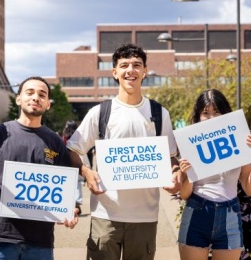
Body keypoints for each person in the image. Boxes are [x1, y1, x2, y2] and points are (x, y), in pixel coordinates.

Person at [66, 43, 181, 260]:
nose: (131, 70)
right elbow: (72, 149)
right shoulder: (100, 112)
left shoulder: (159, 113)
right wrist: (86, 171)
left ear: (145, 71)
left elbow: (171, 156)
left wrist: (175, 174)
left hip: (145, 218)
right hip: (105, 216)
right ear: (115, 72)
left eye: (137, 65)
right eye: (124, 65)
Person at [0, 76, 79, 260]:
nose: (36, 97)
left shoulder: (55, 142)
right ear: (18, 98)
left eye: (42, 94)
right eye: (30, 93)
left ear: (48, 104)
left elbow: (66, 190)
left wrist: (72, 209)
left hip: (40, 243)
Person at [177, 89, 251, 260]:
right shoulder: (191, 143)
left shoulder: (239, 140)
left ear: (225, 113)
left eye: (217, 112)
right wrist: (186, 173)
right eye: (205, 113)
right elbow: (185, 194)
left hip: (230, 214)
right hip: (197, 212)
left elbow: (250, 189)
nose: (211, 118)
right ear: (198, 116)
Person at [62, 120, 89, 214]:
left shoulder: (63, 138)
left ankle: (68, 204)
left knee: (67, 185)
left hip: (65, 164)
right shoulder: (78, 137)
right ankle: (76, 203)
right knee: (77, 184)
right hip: (77, 162)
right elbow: (82, 153)